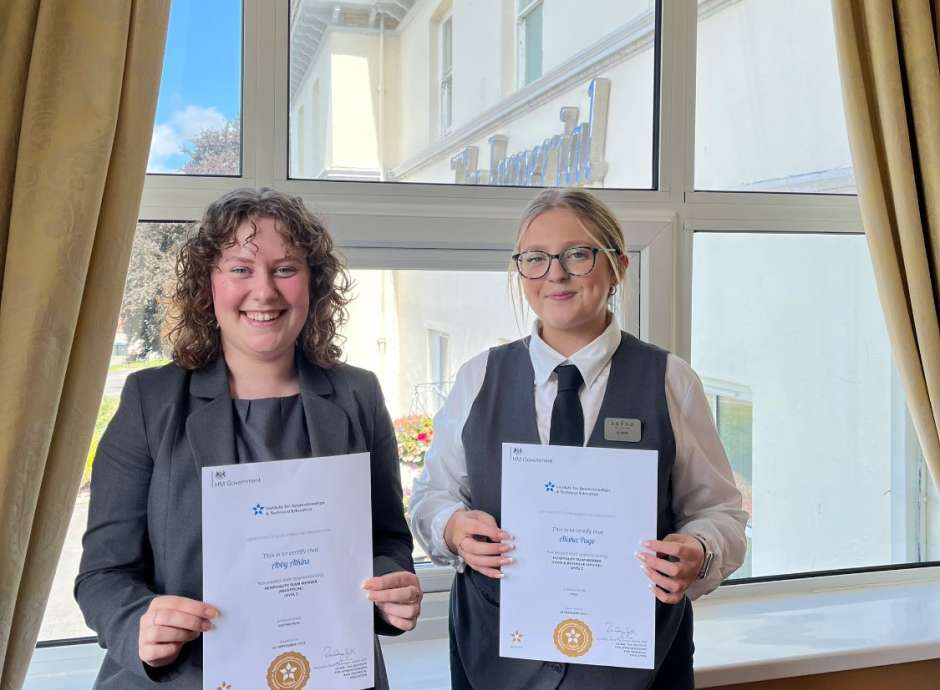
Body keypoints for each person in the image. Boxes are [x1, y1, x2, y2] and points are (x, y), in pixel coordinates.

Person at [75, 188, 421, 689]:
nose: (265, 291)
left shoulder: (357, 394)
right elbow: (102, 575)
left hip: (330, 674)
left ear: (313, 284)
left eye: (285, 269)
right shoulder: (151, 399)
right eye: (240, 269)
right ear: (207, 284)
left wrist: (393, 588)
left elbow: (388, 539)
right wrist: (140, 625)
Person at [409, 188, 748, 689]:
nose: (556, 274)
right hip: (497, 663)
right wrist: (453, 528)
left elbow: (723, 514)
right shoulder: (478, 376)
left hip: (636, 667)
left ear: (618, 267)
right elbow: (430, 498)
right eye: (536, 259)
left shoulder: (671, 380)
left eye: (577, 254)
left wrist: (700, 549)